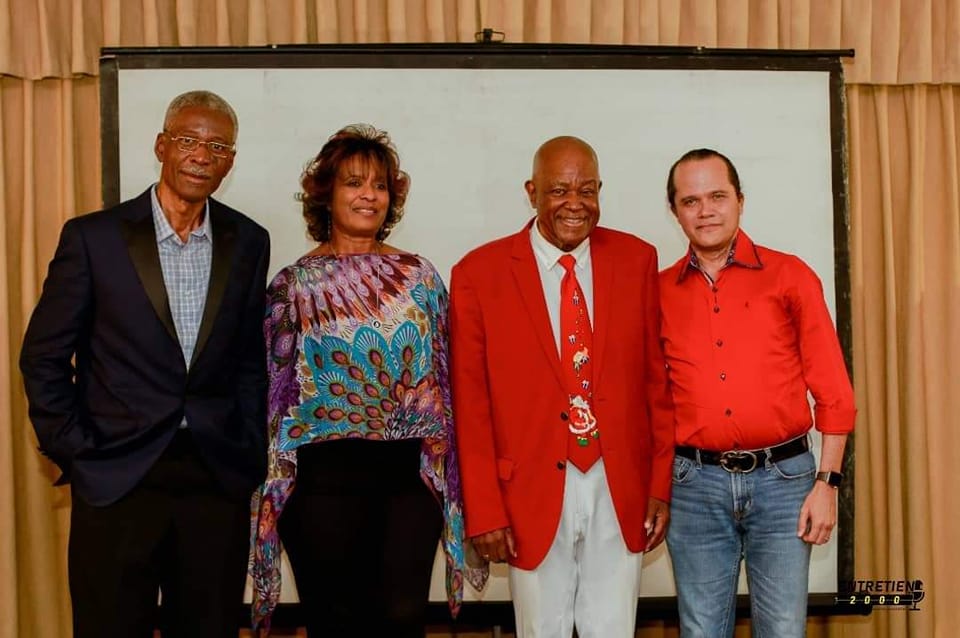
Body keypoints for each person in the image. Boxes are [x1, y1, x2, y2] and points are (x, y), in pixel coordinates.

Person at [19, 90, 270, 637]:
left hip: (212, 477)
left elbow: (251, 360)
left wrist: (250, 448)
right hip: (116, 474)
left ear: (230, 161)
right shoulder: (94, 238)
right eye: (188, 140)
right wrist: (76, 449)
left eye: (217, 146)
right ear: (161, 145)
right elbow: (42, 356)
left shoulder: (248, 241)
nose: (201, 154)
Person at [249, 124, 485, 636]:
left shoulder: (421, 277)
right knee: (335, 622)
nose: (368, 196)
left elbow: (446, 385)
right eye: (354, 183)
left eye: (379, 185)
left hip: (406, 484)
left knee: (401, 619)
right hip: (320, 487)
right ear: (326, 194)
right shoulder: (291, 286)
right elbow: (271, 398)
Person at [449, 136, 674, 638]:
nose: (575, 204)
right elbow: (470, 403)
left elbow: (655, 383)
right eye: (558, 190)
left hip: (619, 484)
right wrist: (483, 509)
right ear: (531, 192)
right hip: (526, 489)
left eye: (587, 190)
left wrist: (660, 484)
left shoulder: (637, 260)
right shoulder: (478, 274)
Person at [659, 148, 856, 637]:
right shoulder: (656, 292)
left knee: (783, 629)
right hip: (693, 486)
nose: (705, 210)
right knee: (701, 630)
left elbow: (834, 391)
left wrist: (827, 485)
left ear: (740, 201)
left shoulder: (790, 277)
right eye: (691, 200)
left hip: (784, 482)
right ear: (675, 211)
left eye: (718, 196)